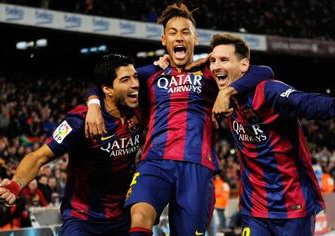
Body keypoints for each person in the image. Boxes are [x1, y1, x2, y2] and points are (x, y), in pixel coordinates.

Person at [85, 3, 271, 235]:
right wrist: (93, 104)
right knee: (140, 214)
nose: (179, 37)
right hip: (155, 161)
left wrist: (226, 92)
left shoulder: (210, 71)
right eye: (173, 32)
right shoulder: (151, 73)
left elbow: (263, 72)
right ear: (164, 40)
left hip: (197, 166)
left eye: (185, 32)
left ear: (195, 39)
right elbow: (102, 81)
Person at [208, 33, 335, 236]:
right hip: (254, 209)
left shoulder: (267, 91)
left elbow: (302, 102)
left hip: (292, 207)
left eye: (223, 59)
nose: (215, 66)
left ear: (244, 65)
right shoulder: (222, 89)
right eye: (213, 60)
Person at [0, 54, 142, 235]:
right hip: (82, 219)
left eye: (135, 77)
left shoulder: (139, 109)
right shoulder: (78, 122)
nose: (135, 83)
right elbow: (39, 156)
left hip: (123, 218)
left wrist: (94, 101)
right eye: (126, 80)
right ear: (107, 88)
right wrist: (16, 183)